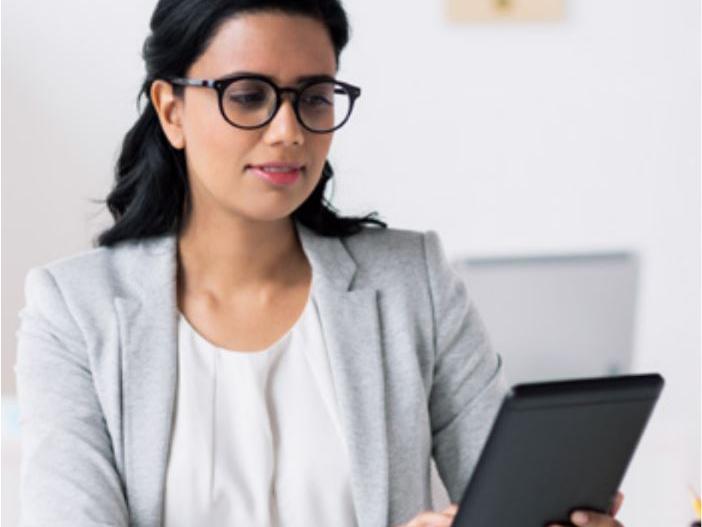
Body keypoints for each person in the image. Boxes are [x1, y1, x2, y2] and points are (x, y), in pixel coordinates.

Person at [14, 1, 625, 526]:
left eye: (314, 97)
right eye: (248, 96)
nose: (288, 131)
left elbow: (507, 500)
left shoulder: (413, 281)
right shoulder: (74, 312)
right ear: (172, 110)